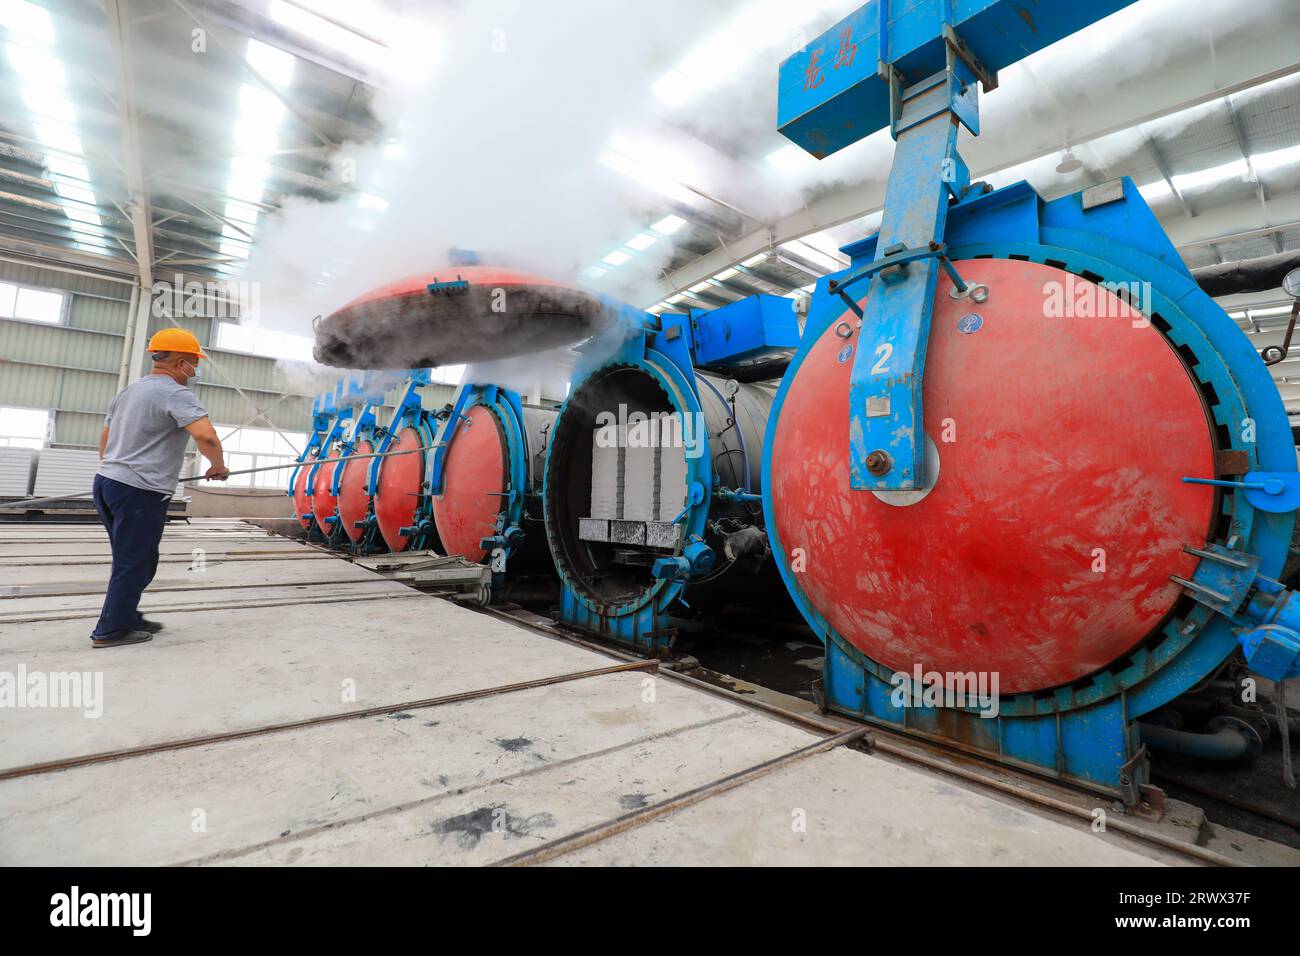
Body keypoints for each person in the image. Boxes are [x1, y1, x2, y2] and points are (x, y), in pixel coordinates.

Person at [91, 328, 230, 648]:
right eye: (194, 363)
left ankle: (125, 614)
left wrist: (118, 466)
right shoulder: (175, 394)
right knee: (135, 561)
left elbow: (105, 440)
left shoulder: (128, 391)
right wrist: (218, 466)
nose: (195, 369)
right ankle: (111, 630)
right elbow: (206, 436)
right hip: (139, 491)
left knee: (133, 558)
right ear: (180, 362)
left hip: (107, 483)